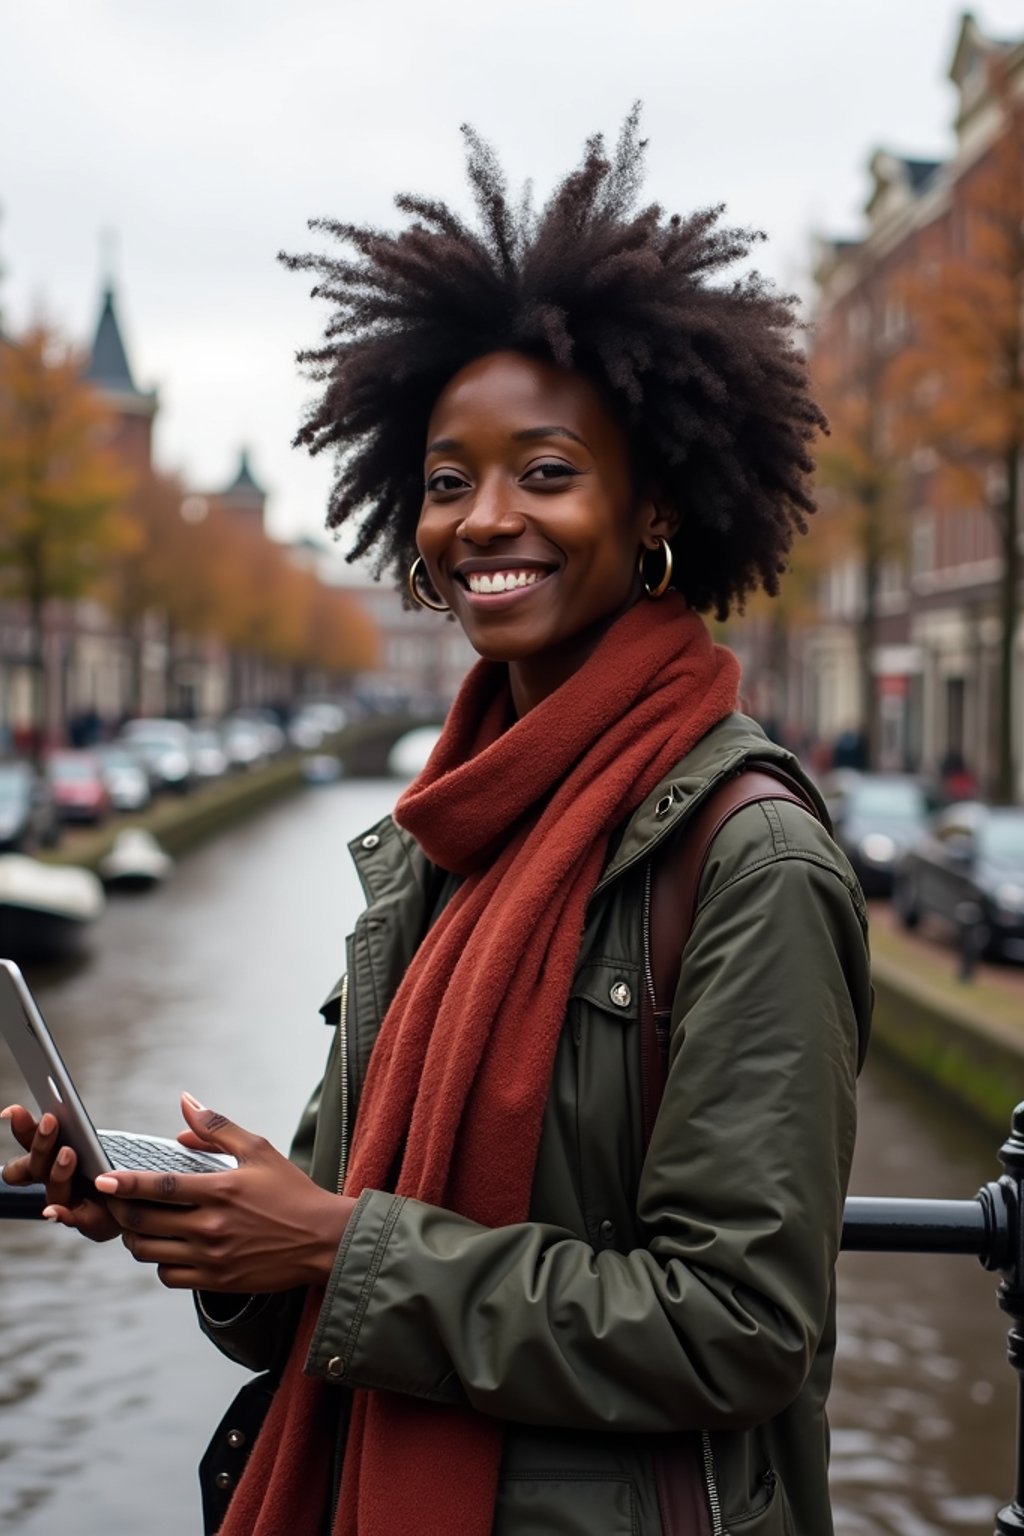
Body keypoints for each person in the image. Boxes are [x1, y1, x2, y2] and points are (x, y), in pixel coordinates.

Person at [2, 114, 872, 1536]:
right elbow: (327, 1268)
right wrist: (221, 1230)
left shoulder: (748, 858)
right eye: (448, 480)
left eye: (545, 471)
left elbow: (740, 1329)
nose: (483, 520)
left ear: (654, 505)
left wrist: (336, 1246)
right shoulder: (439, 840)